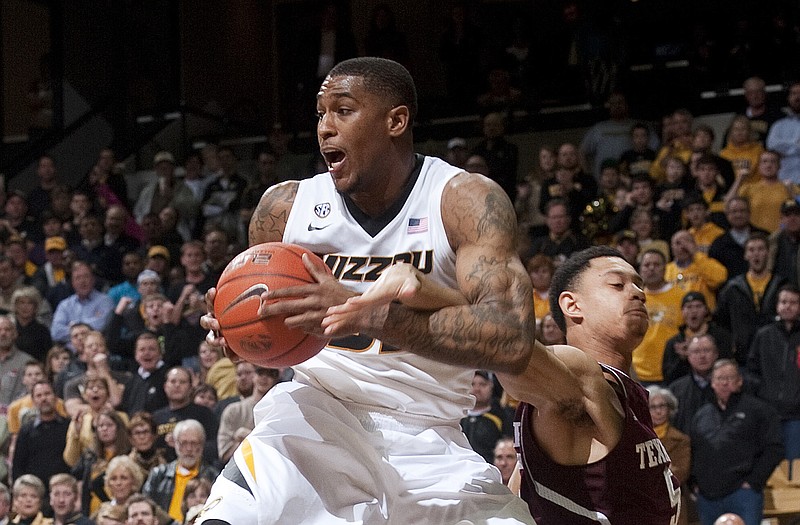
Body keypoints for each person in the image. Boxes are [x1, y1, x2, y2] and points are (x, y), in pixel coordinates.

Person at [198, 57, 536, 524]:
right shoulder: (284, 209)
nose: (325, 128)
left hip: (427, 435)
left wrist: (368, 314)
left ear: (396, 120)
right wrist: (243, 337)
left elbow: (512, 338)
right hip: (313, 419)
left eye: (343, 111)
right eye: (320, 114)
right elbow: (270, 336)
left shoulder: (463, 201)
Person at [483, 246, 679, 523]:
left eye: (638, 284)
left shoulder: (624, 390)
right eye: (617, 284)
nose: (638, 292)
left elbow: (520, 494)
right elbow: (508, 355)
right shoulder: (577, 371)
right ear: (572, 305)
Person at [689, 359, 783, 525]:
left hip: (742, 493)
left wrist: (754, 482)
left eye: (729, 378)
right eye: (719, 379)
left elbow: (774, 448)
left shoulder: (759, 410)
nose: (724, 383)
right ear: (712, 383)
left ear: (739, 381)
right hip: (706, 497)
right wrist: (694, 483)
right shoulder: (702, 414)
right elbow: (693, 450)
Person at [746, 284, 800, 477]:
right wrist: (760, 395)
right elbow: (752, 370)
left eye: (793, 302)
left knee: (794, 468)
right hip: (768, 413)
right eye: (784, 302)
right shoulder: (764, 335)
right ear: (777, 305)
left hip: (796, 416)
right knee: (768, 467)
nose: (788, 306)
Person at [715, 233, 785, 365]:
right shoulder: (732, 288)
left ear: (768, 253)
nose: (756, 254)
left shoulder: (781, 286)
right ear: (745, 255)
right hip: (743, 356)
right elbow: (721, 320)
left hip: (775, 352)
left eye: (760, 249)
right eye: (751, 250)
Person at [143, 420, 218, 523]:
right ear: (174, 443)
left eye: (194, 443)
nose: (189, 448)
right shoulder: (159, 475)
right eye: (183, 443)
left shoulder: (213, 477)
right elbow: (146, 506)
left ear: (202, 445)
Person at [632, 249, 684, 385]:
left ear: (665, 268)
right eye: (647, 265)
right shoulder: (632, 297)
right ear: (640, 269)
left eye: (656, 264)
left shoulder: (681, 296)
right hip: (638, 372)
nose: (651, 268)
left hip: (672, 370)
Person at [12, 380, 70, 489]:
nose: (44, 398)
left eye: (47, 394)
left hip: (63, 491)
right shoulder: (26, 431)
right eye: (39, 396)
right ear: (33, 401)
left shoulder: (68, 426)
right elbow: (18, 466)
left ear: (56, 397)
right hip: (34, 492)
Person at [646, 386, 691, 525]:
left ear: (669, 408)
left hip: (672, 500)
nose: (658, 411)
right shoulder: (638, 439)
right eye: (652, 407)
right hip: (645, 502)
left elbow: (681, 473)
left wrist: (649, 473)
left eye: (662, 406)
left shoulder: (681, 439)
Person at [459, 370, 512, 464]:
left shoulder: (503, 416)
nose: (476, 389)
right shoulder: (457, 417)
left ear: (491, 386)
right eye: (472, 384)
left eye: (482, 384)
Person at [766, 82, 800, 184]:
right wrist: (796, 144)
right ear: (788, 98)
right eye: (794, 93)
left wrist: (785, 149)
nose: (798, 97)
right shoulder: (779, 125)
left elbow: (779, 147)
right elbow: (772, 147)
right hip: (785, 181)